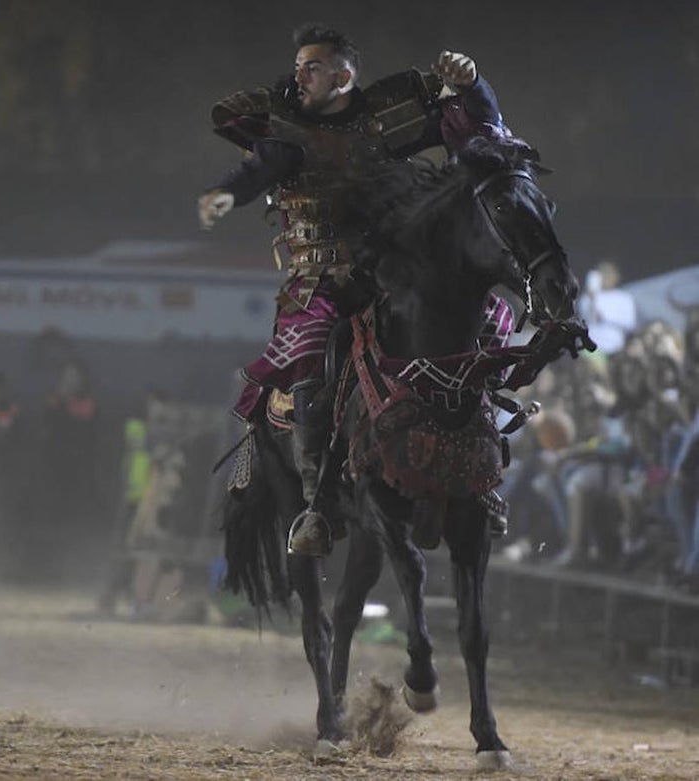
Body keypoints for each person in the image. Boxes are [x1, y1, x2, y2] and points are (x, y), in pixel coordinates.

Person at [200, 23, 508, 555]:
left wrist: (473, 83)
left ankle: (482, 477)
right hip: (319, 281)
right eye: (297, 65)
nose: (300, 75)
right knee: (311, 352)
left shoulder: (389, 119)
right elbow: (259, 168)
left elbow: (475, 127)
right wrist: (228, 194)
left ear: (342, 76)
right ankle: (315, 502)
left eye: (312, 66)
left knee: (486, 319)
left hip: (394, 270)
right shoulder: (287, 132)